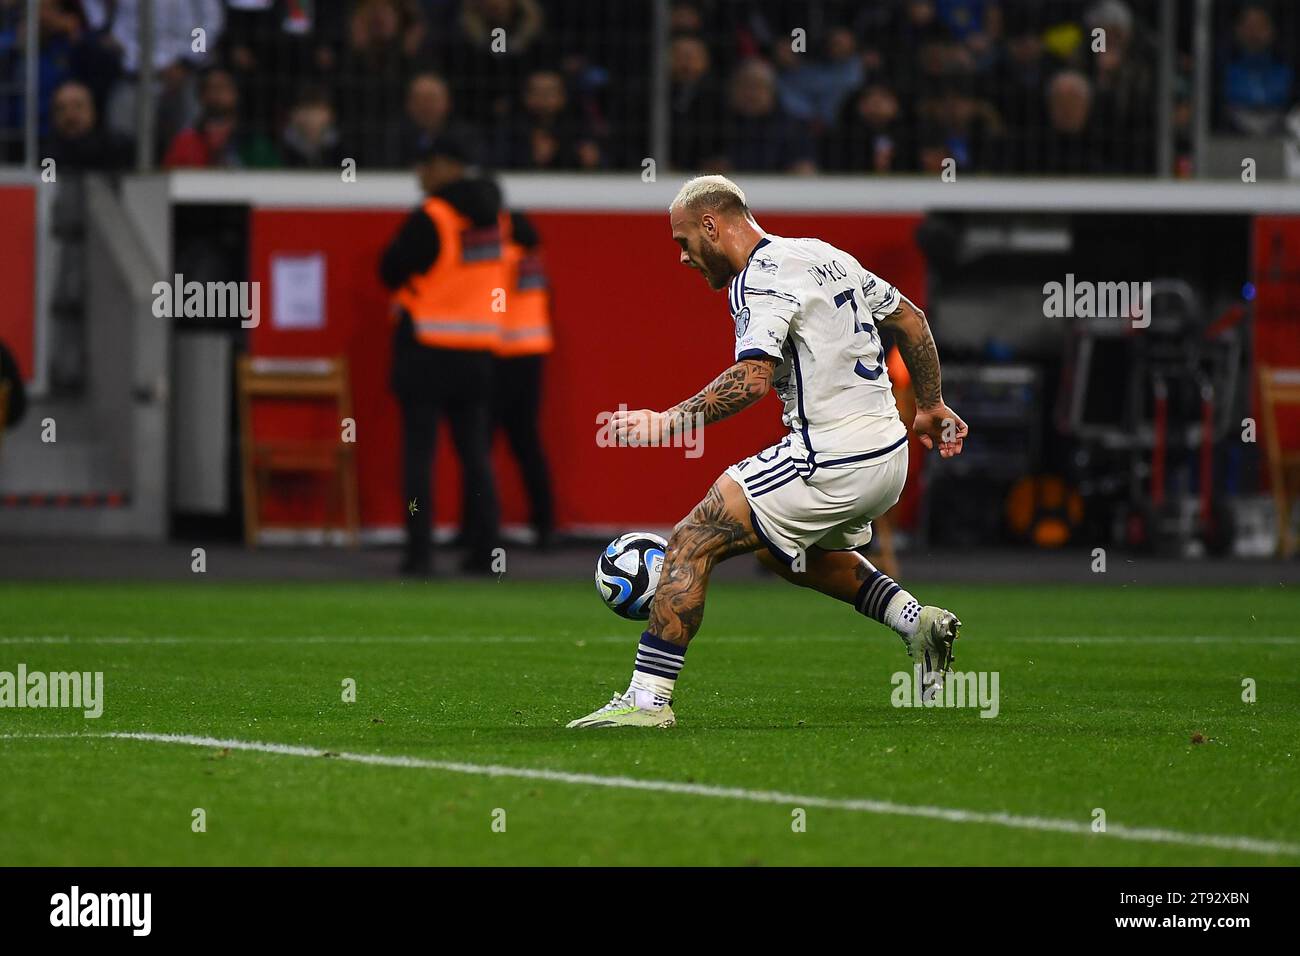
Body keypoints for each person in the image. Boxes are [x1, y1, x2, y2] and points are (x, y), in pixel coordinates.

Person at [567, 175, 968, 729]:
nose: (683, 257)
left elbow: (752, 380)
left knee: (691, 539)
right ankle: (915, 621)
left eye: (683, 241)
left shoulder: (758, 279)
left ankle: (646, 702)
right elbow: (910, 320)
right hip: (888, 456)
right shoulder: (823, 255)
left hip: (834, 454)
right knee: (783, 555)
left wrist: (668, 422)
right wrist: (930, 404)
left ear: (712, 224)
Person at [379, 134, 503, 576]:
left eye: (426, 164)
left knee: (419, 458)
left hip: (427, 350)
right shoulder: (496, 218)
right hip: (478, 353)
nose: (420, 173)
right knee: (476, 458)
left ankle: (419, 552)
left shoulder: (432, 215)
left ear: (448, 166)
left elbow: (389, 268)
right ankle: (487, 552)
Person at [494, 211, 555, 549]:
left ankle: (477, 528)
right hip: (532, 357)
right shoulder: (533, 261)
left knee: (479, 446)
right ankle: (544, 524)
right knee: (527, 443)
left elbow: (490, 309)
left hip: (504, 357)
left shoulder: (503, 258)